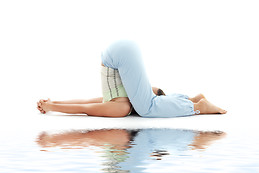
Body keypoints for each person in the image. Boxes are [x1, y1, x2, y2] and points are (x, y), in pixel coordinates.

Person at [37, 40, 227, 118]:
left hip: (119, 54)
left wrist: (52, 105)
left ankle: (196, 105)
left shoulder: (120, 105)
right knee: (147, 107)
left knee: (147, 108)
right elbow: (85, 104)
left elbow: (85, 106)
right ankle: (192, 103)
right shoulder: (121, 104)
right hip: (119, 54)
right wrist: (52, 105)